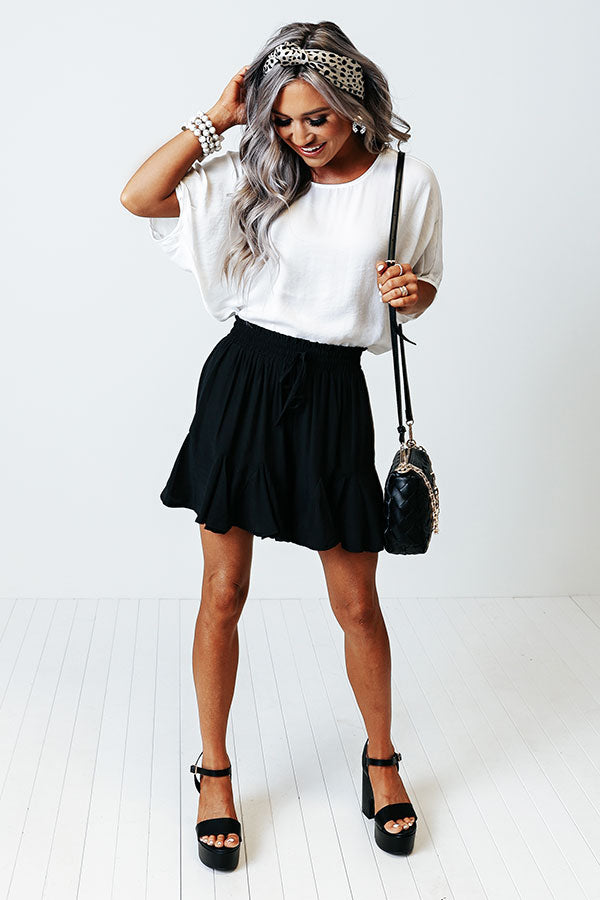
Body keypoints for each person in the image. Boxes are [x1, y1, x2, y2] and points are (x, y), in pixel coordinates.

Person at [120, 20, 443, 871]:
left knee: (357, 604)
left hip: (335, 394)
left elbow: (423, 286)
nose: (300, 136)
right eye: (285, 119)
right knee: (223, 592)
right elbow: (140, 196)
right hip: (244, 382)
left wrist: (411, 292)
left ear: (353, 104)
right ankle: (214, 771)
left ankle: (382, 761)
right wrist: (220, 119)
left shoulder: (406, 180)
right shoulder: (255, 169)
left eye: (317, 119)